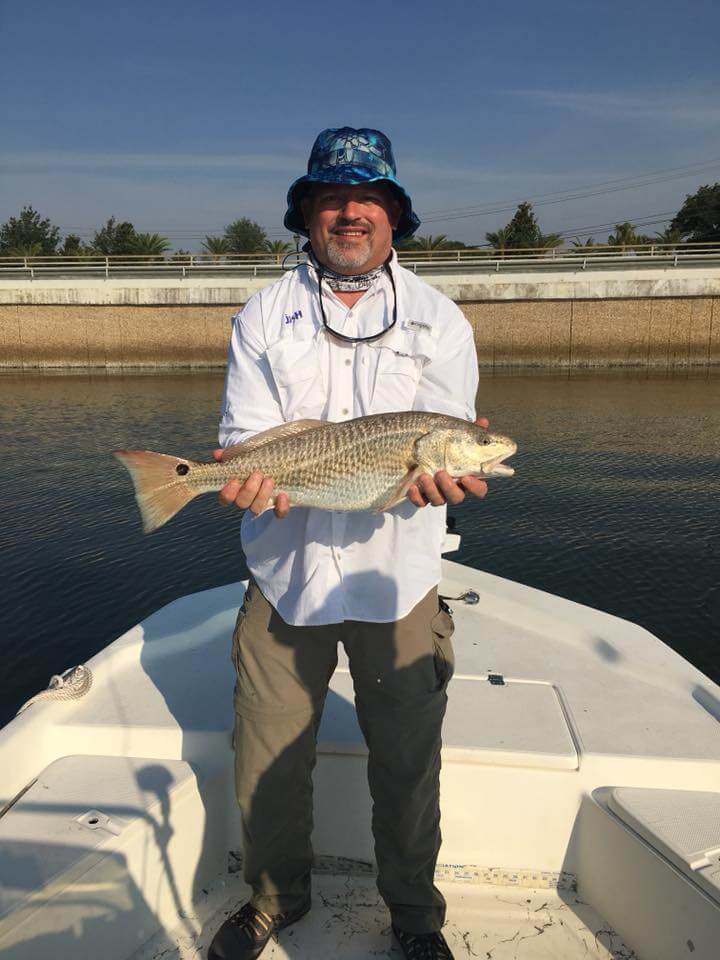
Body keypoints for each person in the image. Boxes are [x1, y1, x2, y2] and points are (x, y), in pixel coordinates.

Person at [208, 127, 487, 960]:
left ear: (395, 213)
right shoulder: (265, 313)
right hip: (284, 570)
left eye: (368, 198)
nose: (351, 212)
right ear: (308, 214)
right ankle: (272, 901)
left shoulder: (439, 320)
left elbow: (444, 447)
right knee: (266, 758)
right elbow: (248, 436)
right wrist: (243, 477)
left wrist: (443, 473)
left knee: (407, 763)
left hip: (396, 576)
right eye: (332, 198)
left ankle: (412, 914)